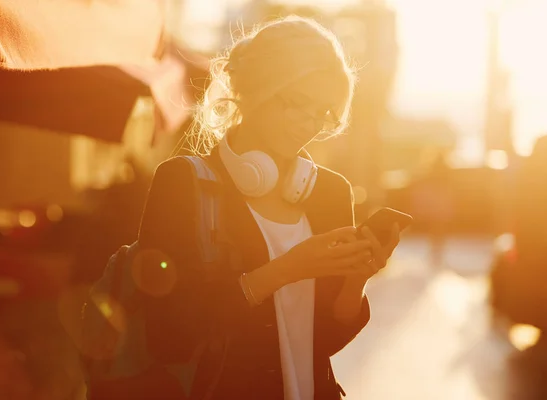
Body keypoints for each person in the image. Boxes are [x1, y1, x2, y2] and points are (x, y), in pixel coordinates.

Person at [137, 16, 400, 400]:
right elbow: (168, 336)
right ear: (255, 88)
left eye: (323, 113)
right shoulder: (183, 184)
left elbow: (323, 340)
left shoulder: (330, 192)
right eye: (298, 103)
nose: (309, 124)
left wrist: (356, 279)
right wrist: (286, 270)